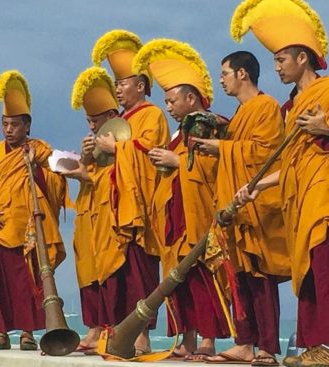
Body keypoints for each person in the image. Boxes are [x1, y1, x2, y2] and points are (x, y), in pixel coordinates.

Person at [231, 1, 329, 366]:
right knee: (309, 270)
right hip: (299, 198)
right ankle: (314, 346)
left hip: (327, 193)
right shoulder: (290, 108)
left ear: (303, 57)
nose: (277, 67)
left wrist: (327, 127)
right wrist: (259, 186)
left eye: (282, 59)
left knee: (328, 266)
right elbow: (290, 163)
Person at [133, 38, 231, 361]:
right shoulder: (177, 133)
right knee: (178, 279)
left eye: (172, 100)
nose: (168, 107)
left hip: (199, 212)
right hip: (175, 214)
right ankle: (186, 339)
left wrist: (177, 163)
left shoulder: (209, 124)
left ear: (191, 98)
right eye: (165, 101)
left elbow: (214, 165)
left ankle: (207, 341)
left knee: (202, 275)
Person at [194, 50, 290, 366]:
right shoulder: (239, 114)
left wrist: (223, 147)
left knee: (260, 276)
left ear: (242, 74)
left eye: (224, 73)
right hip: (234, 207)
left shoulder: (265, 108)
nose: (221, 79)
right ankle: (245, 343)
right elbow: (238, 154)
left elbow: (265, 154)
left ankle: (266, 349)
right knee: (240, 277)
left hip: (256, 206)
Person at [0, 69, 67, 351]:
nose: (8, 129)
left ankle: (28, 333)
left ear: (27, 125)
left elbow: (57, 171)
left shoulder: (36, 149)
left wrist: (38, 163)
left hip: (26, 227)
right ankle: (1, 333)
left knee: (28, 280)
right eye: (4, 124)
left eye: (14, 124)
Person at [91, 29, 170, 355]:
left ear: (140, 85)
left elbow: (150, 153)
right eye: (116, 85)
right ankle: (117, 335)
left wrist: (118, 148)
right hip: (117, 207)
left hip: (141, 207)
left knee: (140, 274)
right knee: (119, 276)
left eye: (122, 84)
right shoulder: (123, 120)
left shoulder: (152, 115)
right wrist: (95, 152)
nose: (117, 90)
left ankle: (141, 338)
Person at [63, 66, 122, 354]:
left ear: (111, 117)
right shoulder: (96, 140)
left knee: (107, 269)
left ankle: (110, 327)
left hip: (110, 212)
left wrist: (87, 174)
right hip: (87, 211)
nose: (91, 126)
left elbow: (126, 172)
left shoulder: (120, 134)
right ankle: (94, 326)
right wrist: (84, 160)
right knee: (87, 269)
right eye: (88, 120)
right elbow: (90, 172)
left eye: (95, 120)